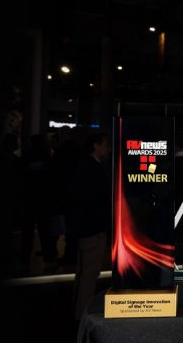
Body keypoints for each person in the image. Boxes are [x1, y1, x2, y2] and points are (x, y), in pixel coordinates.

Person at [72, 132, 110, 321]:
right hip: (92, 229)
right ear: (96, 145)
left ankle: (78, 310)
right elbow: (95, 202)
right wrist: (99, 227)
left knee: (83, 272)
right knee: (89, 273)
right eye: (105, 145)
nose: (107, 149)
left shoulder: (83, 165)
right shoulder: (93, 168)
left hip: (84, 227)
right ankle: (83, 313)